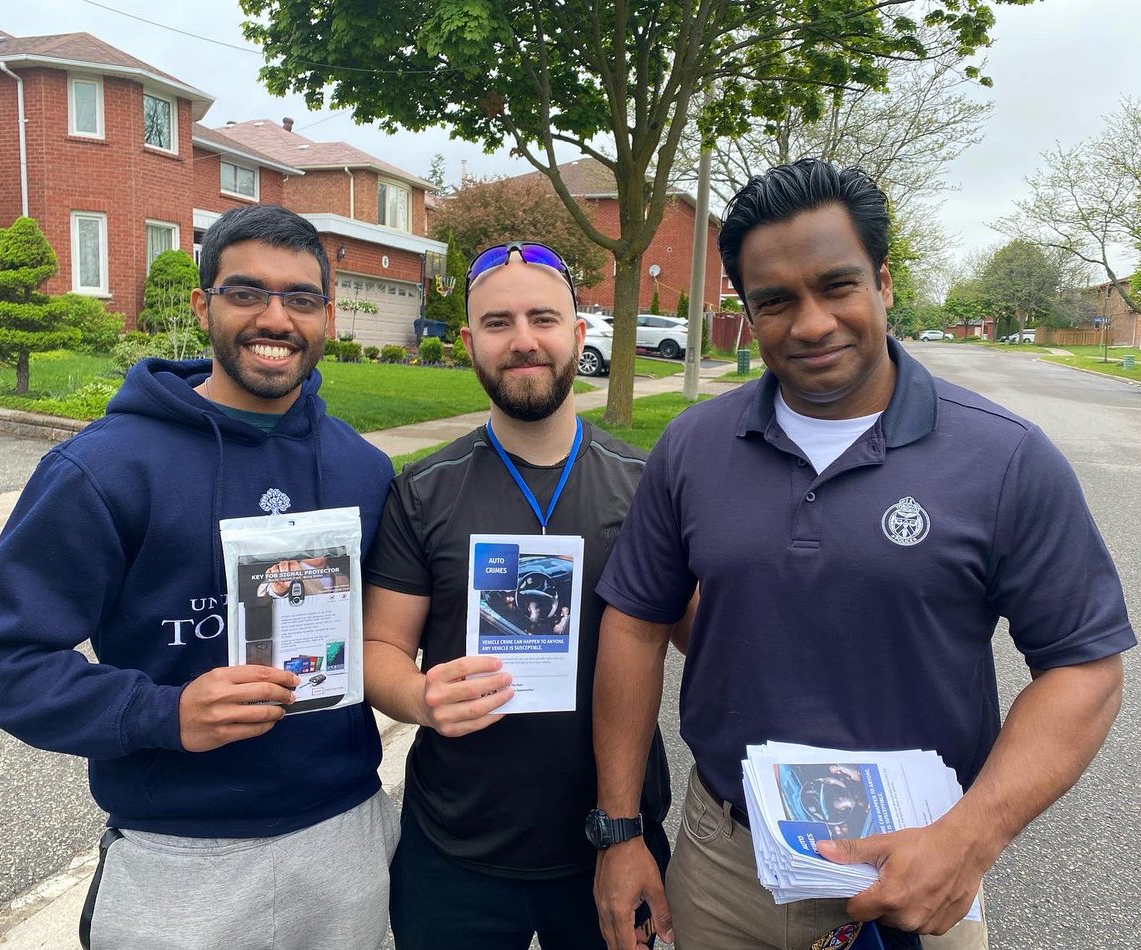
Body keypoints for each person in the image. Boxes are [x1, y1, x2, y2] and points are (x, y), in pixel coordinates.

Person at [590, 159, 1134, 950]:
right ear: (746, 310)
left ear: (882, 281)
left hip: (918, 871)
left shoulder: (1004, 457)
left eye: (837, 286)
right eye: (775, 300)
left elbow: (1086, 667)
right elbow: (636, 624)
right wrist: (620, 831)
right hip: (726, 865)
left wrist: (970, 841)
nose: (810, 323)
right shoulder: (692, 448)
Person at [0, 205, 398, 949]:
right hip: (178, 857)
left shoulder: (363, 470)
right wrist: (163, 714)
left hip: (343, 836)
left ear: (328, 317)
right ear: (203, 304)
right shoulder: (103, 469)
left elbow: (389, 636)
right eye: (247, 292)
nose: (275, 318)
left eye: (301, 298)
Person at [362, 242, 673, 949]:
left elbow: (699, 634)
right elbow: (380, 646)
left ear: (578, 333)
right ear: (471, 343)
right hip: (457, 845)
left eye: (543, 318)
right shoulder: (423, 490)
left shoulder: (648, 485)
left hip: (612, 835)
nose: (524, 341)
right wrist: (419, 699)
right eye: (499, 323)